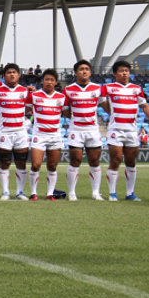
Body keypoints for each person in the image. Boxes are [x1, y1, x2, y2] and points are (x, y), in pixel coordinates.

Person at [101, 60, 149, 201]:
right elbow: (101, 101)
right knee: (115, 160)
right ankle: (112, 193)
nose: (124, 73)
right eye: (121, 71)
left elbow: (145, 106)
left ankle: (130, 193)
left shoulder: (136, 89)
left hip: (131, 131)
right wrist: (111, 112)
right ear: (115, 73)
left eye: (127, 71)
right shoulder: (108, 87)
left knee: (131, 161)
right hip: (116, 130)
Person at [63, 59, 104, 201]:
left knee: (94, 160)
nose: (84, 71)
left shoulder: (98, 89)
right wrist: (76, 119)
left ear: (90, 72)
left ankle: (96, 193)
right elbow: (66, 111)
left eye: (87, 69)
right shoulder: (68, 89)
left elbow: (105, 105)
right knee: (75, 160)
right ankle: (72, 193)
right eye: (81, 69)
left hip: (93, 130)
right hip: (76, 130)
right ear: (75, 73)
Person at [26, 69, 66, 201]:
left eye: (51, 80)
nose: (49, 82)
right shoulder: (35, 95)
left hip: (55, 136)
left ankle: (50, 194)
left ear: (55, 82)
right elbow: (25, 107)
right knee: (36, 164)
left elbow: (67, 112)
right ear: (42, 81)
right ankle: (33, 193)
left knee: (52, 166)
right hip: (39, 135)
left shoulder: (61, 98)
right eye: (46, 79)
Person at [0, 63, 31, 200]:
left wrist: (27, 120)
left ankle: (20, 192)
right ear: (4, 76)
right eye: (9, 72)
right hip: (4, 132)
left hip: (20, 133)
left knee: (21, 162)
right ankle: (5, 192)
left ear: (19, 75)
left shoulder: (25, 91)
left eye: (14, 72)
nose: (12, 74)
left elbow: (31, 107)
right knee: (5, 163)